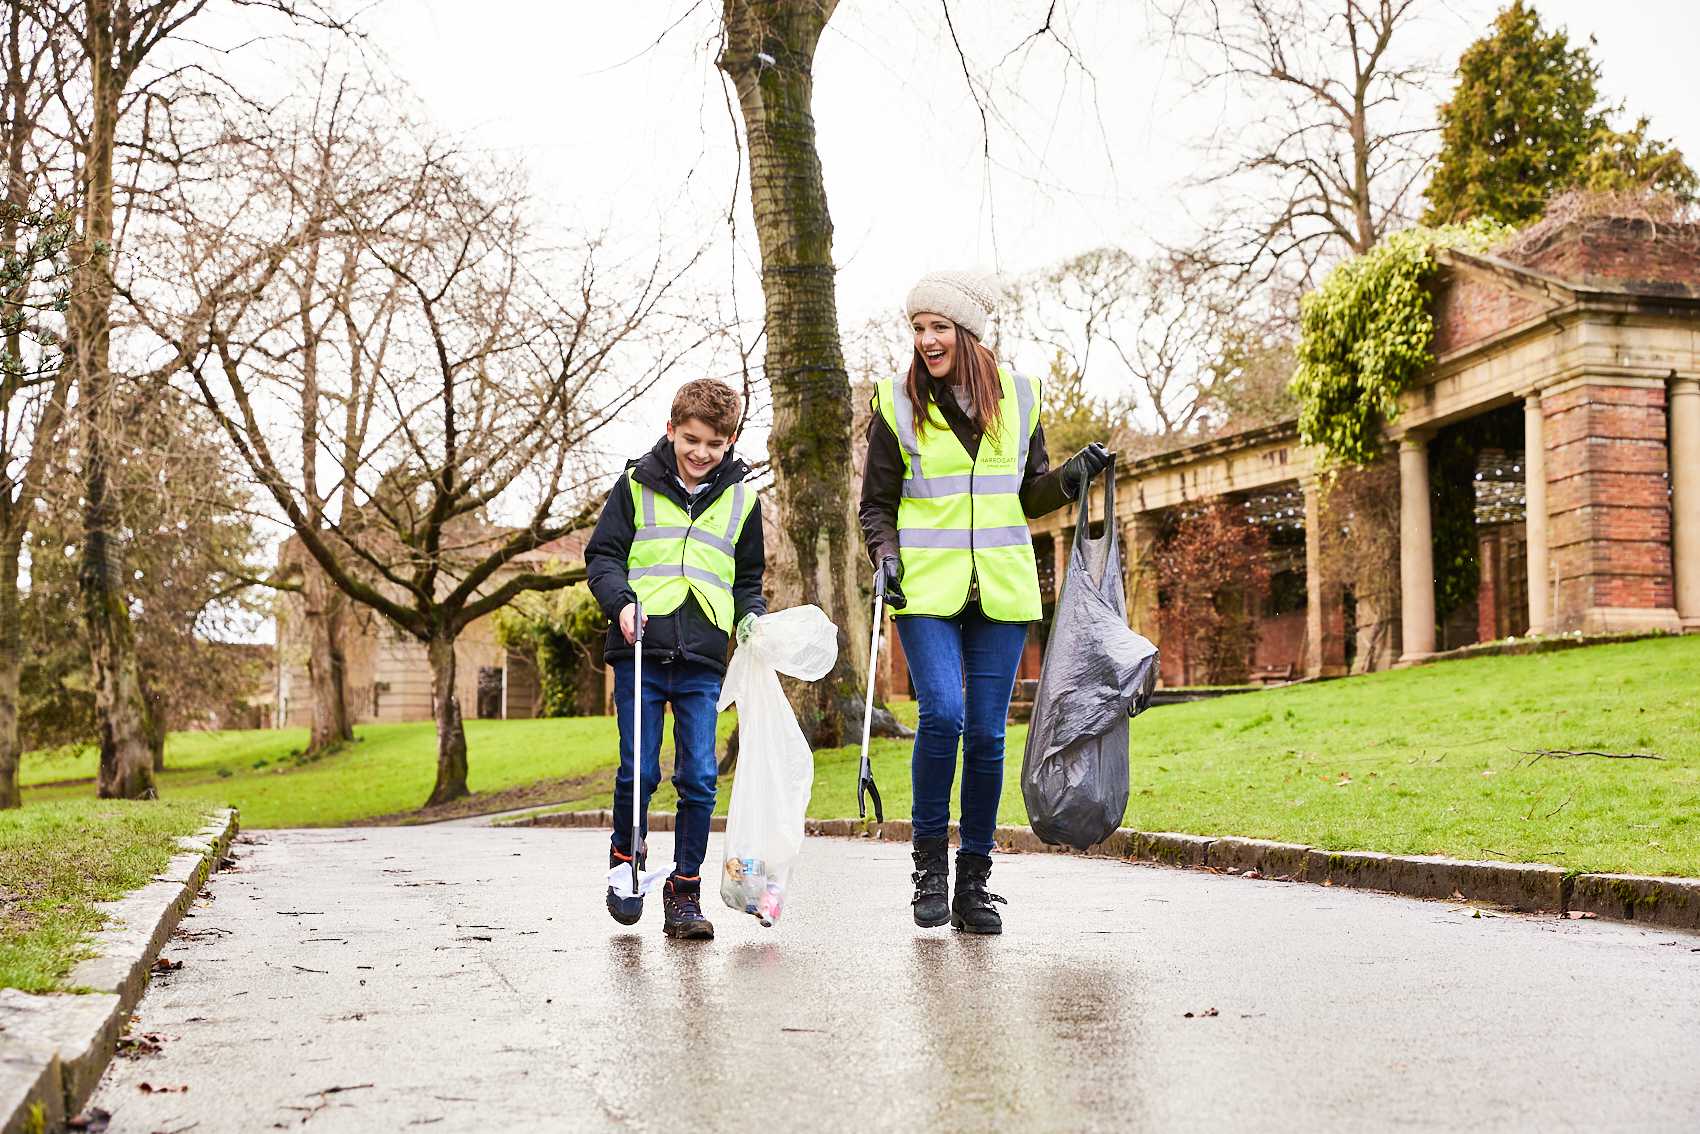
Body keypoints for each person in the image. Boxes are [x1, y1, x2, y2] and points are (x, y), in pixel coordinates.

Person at [859, 270, 1111, 935]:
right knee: (942, 713)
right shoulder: (895, 402)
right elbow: (876, 506)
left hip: (1000, 587)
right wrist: (883, 556)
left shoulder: (1021, 398)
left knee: (990, 734)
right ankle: (927, 868)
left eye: (938, 327)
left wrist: (1070, 479)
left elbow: (1026, 495)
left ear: (967, 333)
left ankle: (974, 882)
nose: (926, 340)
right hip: (926, 587)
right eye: (917, 328)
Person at [585, 378, 766, 940]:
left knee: (701, 777)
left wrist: (751, 615)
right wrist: (620, 602)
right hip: (639, 648)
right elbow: (603, 556)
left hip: (702, 658)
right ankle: (626, 859)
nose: (701, 453)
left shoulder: (743, 499)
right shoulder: (634, 486)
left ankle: (684, 891)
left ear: (730, 441)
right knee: (639, 768)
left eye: (715, 443)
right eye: (691, 439)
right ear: (671, 430)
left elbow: (748, 578)